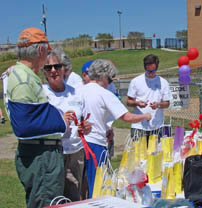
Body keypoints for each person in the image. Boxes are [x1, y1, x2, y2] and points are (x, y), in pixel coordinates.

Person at [6, 27, 74, 208]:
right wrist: (61, 122)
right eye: (47, 51)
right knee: (46, 203)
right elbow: (24, 126)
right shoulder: (23, 80)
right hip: (41, 157)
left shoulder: (24, 76)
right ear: (41, 50)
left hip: (42, 153)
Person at [81, 59, 151, 198]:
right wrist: (145, 116)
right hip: (96, 144)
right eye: (109, 79)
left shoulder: (80, 90)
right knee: (97, 186)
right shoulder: (104, 93)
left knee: (81, 185)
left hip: (79, 144)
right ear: (102, 76)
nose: (109, 83)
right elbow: (126, 117)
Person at [42, 48, 92, 202]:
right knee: (53, 196)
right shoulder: (41, 93)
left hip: (76, 151)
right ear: (44, 72)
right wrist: (60, 120)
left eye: (57, 66)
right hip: (54, 151)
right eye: (48, 67)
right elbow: (40, 123)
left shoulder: (76, 92)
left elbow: (86, 120)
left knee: (74, 195)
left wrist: (87, 127)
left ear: (63, 69)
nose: (53, 70)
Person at [127, 54, 170, 144]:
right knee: (138, 155)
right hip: (138, 126)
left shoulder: (163, 82)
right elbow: (129, 101)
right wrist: (137, 103)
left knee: (156, 155)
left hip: (157, 126)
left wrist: (158, 105)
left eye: (153, 71)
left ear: (157, 68)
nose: (151, 73)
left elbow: (167, 103)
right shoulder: (135, 81)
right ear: (144, 68)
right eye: (148, 71)